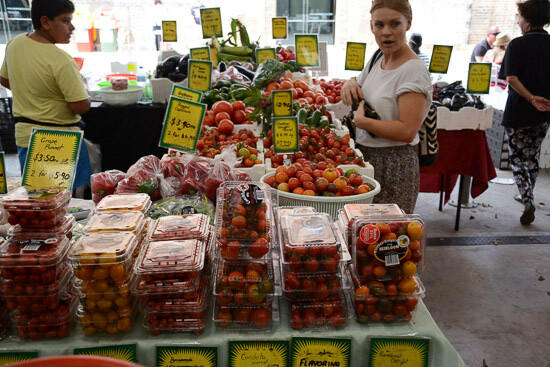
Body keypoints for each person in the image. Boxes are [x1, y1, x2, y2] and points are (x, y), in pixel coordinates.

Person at [341, 0, 432, 214]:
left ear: (408, 24)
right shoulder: (378, 57)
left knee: (386, 239)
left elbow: (407, 131)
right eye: (379, 25)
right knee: (360, 235)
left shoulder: (413, 71)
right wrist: (350, 81)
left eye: (395, 24)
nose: (386, 33)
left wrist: (363, 122)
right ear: (371, 26)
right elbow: (362, 86)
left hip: (395, 167)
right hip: (366, 161)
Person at [0, 0, 91, 189]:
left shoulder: (14, 45)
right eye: (65, 21)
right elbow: (81, 105)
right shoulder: (61, 59)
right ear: (45, 22)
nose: (71, 28)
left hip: (27, 139)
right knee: (70, 208)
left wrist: (31, 93)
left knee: (40, 204)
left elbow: (5, 79)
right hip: (60, 143)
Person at [498, 0, 550, 225]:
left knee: (518, 159)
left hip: (519, 110)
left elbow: (511, 78)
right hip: (545, 110)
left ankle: (528, 201)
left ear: (527, 20)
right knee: (533, 154)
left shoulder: (517, 44)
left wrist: (530, 97)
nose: (517, 21)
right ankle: (525, 194)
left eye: (518, 17)